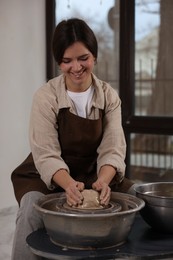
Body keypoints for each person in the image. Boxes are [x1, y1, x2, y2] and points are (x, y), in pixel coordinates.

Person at [11, 18, 135, 259]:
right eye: (67, 61)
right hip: (45, 175)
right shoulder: (46, 97)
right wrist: (68, 184)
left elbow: (113, 147)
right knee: (30, 209)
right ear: (59, 62)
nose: (76, 67)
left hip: (94, 172)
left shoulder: (109, 96)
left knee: (138, 197)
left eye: (83, 58)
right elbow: (46, 154)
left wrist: (103, 181)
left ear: (94, 56)